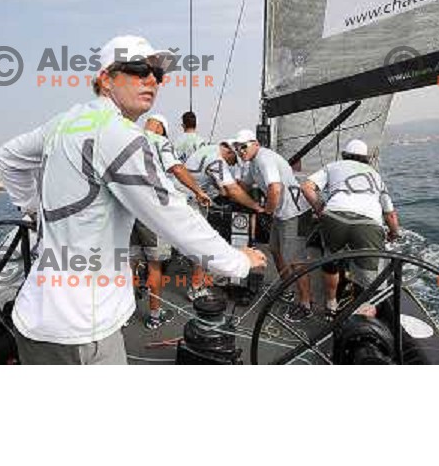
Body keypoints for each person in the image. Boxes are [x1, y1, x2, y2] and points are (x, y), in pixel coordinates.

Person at [0, 35, 266, 364]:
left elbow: (7, 158)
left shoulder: (66, 121)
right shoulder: (119, 135)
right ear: (106, 79)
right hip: (82, 332)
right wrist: (237, 262)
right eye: (139, 69)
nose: (152, 79)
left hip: (35, 316)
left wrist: (32, 208)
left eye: (158, 74)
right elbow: (171, 215)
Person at [301, 139, 400, 320]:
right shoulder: (376, 175)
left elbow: (306, 187)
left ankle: (331, 305)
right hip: (369, 223)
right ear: (366, 159)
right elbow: (390, 214)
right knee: (369, 272)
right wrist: (394, 233)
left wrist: (320, 208)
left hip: (335, 216)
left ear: (344, 155)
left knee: (331, 261)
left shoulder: (333, 166)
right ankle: (363, 313)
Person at [130, 113, 211, 329]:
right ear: (161, 129)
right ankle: (155, 316)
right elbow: (176, 168)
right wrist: (199, 191)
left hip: (130, 210)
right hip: (154, 211)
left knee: (131, 263)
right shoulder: (161, 141)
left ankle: (125, 314)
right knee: (155, 265)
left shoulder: (127, 138)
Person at [233, 129, 314, 321]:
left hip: (294, 213)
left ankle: (305, 304)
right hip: (282, 213)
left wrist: (267, 210)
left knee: (295, 260)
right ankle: (286, 288)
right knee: (275, 249)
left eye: (243, 146)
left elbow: (275, 188)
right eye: (237, 148)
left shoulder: (263, 159)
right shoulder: (253, 163)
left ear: (255, 144)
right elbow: (243, 186)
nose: (240, 151)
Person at [184, 141, 264, 299]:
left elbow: (217, 183)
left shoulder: (207, 149)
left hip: (190, 199)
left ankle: (202, 277)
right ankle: (196, 287)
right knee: (203, 244)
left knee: (200, 242)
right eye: (233, 161)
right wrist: (256, 206)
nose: (231, 164)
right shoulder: (216, 160)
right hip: (188, 202)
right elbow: (232, 190)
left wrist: (222, 188)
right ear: (230, 152)